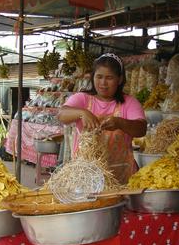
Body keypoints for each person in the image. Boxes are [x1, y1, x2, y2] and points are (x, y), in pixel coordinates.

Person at [57, 53, 147, 184]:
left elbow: (141, 129)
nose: (103, 83)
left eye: (109, 78)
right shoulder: (82, 98)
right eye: (99, 77)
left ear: (120, 79)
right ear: (93, 77)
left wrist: (120, 123)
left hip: (121, 177)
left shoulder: (129, 102)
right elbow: (61, 115)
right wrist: (82, 113)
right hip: (86, 177)